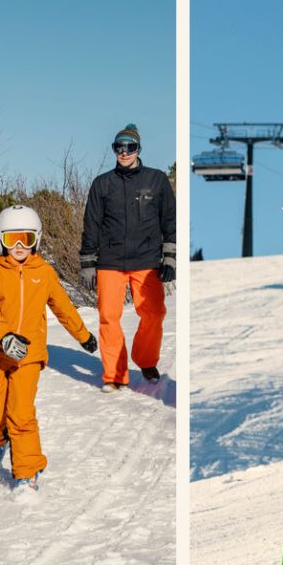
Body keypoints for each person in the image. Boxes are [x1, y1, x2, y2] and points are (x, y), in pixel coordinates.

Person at [0, 205, 98, 492]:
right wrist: (4, 336)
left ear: (37, 239)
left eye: (26, 238)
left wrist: (83, 335)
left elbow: (63, 307)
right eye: (12, 239)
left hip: (28, 358)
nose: (19, 246)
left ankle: (27, 472)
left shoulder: (43, 273)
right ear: (1, 240)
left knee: (21, 414)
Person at [80, 123, 176, 391]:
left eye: (129, 147)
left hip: (147, 260)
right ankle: (114, 374)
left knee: (154, 313)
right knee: (108, 317)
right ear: (114, 150)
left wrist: (170, 257)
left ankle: (146, 360)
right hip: (110, 261)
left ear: (138, 149)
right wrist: (88, 262)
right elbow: (91, 224)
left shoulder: (156, 180)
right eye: (119, 147)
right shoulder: (102, 184)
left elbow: (170, 220)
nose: (124, 152)